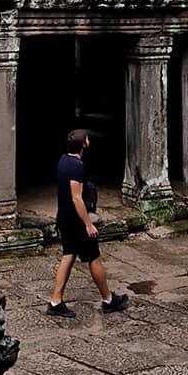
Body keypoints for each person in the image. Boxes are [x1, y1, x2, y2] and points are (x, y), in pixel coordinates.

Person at [47, 128, 128, 317]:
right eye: (87, 139)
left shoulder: (63, 160)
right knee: (93, 257)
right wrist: (88, 224)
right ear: (84, 144)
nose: (89, 141)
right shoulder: (77, 166)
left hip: (64, 217)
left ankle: (55, 301)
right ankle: (108, 300)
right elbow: (77, 198)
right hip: (76, 221)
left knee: (69, 255)